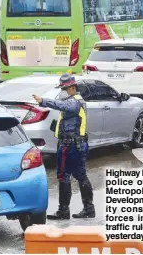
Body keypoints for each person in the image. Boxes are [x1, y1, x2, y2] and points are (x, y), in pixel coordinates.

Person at [32, 73, 95, 220]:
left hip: (70, 146)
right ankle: (88, 209)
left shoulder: (74, 102)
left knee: (64, 176)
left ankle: (64, 211)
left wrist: (43, 101)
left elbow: (61, 105)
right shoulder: (74, 101)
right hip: (75, 145)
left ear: (73, 88)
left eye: (65, 89)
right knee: (80, 176)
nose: (63, 92)